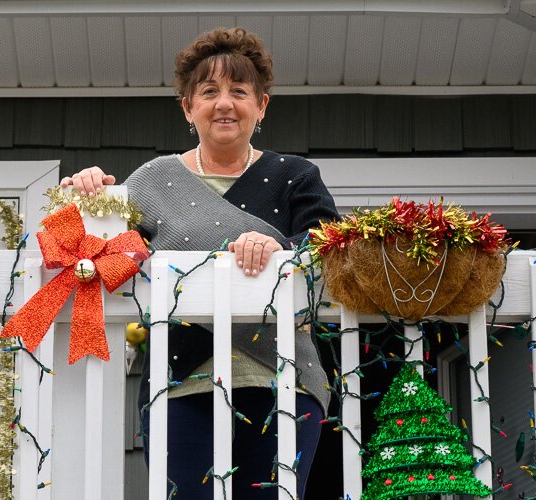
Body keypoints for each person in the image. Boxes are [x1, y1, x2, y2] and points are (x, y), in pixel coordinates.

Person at [60, 27, 340, 499]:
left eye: (239, 91)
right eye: (209, 92)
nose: (224, 103)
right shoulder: (154, 180)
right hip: (180, 382)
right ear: (188, 108)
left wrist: (280, 250)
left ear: (262, 105)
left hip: (284, 379)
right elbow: (97, 247)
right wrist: (88, 192)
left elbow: (331, 250)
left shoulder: (295, 176)